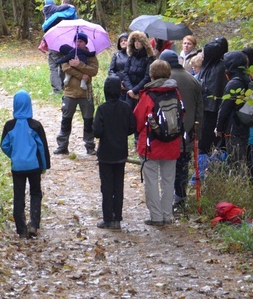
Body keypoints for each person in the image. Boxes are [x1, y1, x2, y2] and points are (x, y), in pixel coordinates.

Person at [134, 60, 182, 226]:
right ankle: (167, 215)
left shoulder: (149, 95)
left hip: (151, 145)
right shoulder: (175, 93)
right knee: (169, 180)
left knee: (152, 180)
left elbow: (138, 120)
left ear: (152, 74)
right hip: (173, 143)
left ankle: (156, 216)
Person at [1, 90, 50, 238]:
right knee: (35, 193)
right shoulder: (35, 126)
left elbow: (4, 145)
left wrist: (14, 155)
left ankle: (21, 229)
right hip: (34, 166)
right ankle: (34, 224)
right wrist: (44, 165)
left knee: (18, 196)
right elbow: (42, 147)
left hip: (18, 167)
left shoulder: (9, 126)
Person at [159, 50, 204, 209]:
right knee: (183, 167)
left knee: (167, 168)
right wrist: (196, 134)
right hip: (188, 133)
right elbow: (199, 109)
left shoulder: (164, 81)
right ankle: (181, 197)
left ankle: (168, 199)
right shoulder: (193, 79)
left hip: (167, 134)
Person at [93, 76, 136, 229]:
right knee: (118, 185)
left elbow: (97, 131)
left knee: (106, 186)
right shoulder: (125, 107)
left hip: (105, 153)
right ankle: (117, 217)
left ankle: (107, 218)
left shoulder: (102, 109)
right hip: (120, 152)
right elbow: (132, 127)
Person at [55, 33, 99, 155]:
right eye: (76, 41)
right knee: (66, 119)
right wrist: (81, 75)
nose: (78, 43)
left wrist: (78, 64)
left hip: (86, 94)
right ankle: (62, 145)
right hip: (70, 92)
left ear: (85, 43)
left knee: (88, 121)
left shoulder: (91, 56)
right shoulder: (70, 52)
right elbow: (65, 67)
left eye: (80, 41)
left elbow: (93, 71)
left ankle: (90, 146)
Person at [215, 51, 253, 166]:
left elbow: (224, 109)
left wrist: (219, 128)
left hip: (233, 129)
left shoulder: (234, 83)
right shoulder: (247, 79)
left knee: (236, 163)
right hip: (244, 127)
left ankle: (238, 183)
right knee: (242, 161)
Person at [41, 0, 77, 93]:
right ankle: (65, 86)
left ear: (63, 3)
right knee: (63, 64)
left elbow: (45, 26)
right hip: (68, 43)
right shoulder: (73, 14)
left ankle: (57, 89)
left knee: (53, 66)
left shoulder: (56, 15)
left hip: (55, 42)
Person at [196, 40, 227, 154]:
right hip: (207, 109)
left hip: (211, 110)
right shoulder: (208, 65)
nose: (202, 55)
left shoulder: (218, 68)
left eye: (204, 53)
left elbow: (209, 88)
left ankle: (205, 166)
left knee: (206, 141)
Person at [122, 31, 155, 112]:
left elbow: (147, 77)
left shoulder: (149, 58)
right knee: (128, 116)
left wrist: (135, 90)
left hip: (142, 92)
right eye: (135, 41)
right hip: (130, 92)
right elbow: (125, 73)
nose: (136, 43)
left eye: (139, 41)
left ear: (144, 43)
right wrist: (130, 90)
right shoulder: (131, 56)